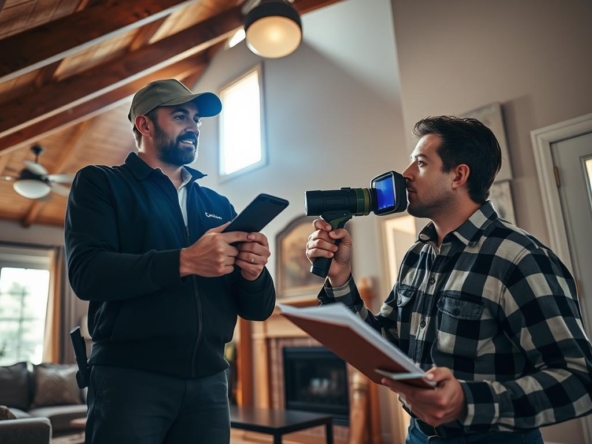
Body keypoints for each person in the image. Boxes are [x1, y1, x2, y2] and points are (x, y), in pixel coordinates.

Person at [305, 116, 592, 443]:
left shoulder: (519, 257)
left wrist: (465, 403)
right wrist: (340, 279)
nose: (407, 174)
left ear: (458, 175)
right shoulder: (417, 255)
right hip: (418, 436)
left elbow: (578, 380)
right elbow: (386, 346)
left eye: (421, 163)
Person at [65, 79, 276, 444]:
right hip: (129, 380)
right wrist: (186, 260)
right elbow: (87, 274)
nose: (193, 126)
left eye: (196, 119)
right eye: (181, 116)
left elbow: (257, 310)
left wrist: (254, 273)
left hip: (210, 384)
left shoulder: (218, 205)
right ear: (144, 125)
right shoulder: (100, 184)